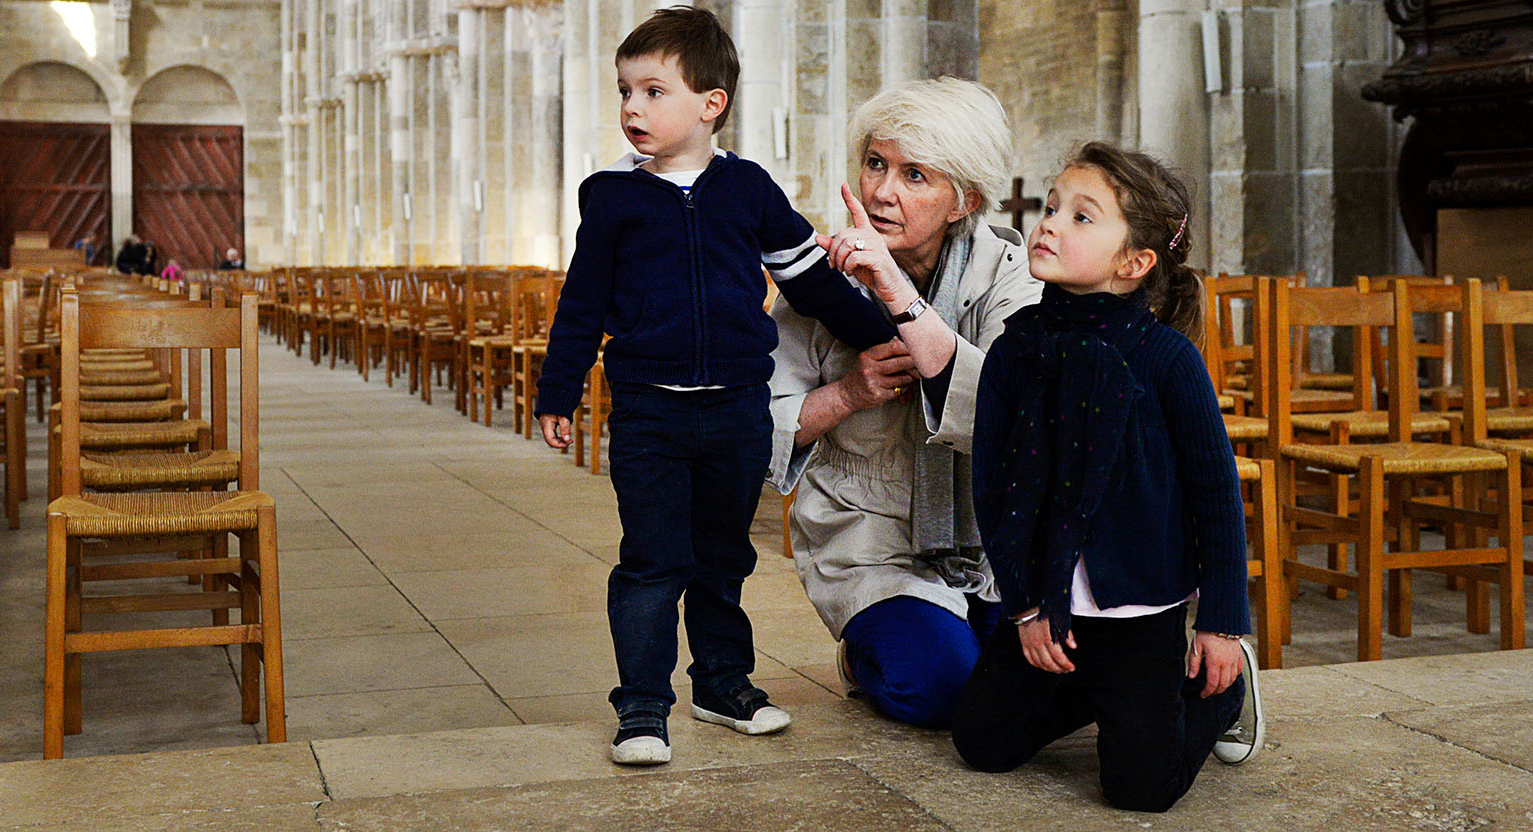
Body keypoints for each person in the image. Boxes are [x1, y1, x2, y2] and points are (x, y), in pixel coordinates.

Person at [533, 6, 900, 767]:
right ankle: (641, 708)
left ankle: (723, 685)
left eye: (653, 91)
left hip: (737, 412)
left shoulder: (750, 190)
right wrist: (555, 391)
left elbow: (811, 281)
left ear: (711, 104)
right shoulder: (612, 199)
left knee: (723, 557)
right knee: (652, 561)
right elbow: (581, 306)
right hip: (647, 415)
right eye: (625, 92)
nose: (632, 107)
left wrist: (886, 335)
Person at [950, 142, 1264, 812]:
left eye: (1081, 217)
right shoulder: (1014, 353)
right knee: (983, 743)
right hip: (1047, 603)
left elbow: (1215, 496)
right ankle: (1097, 692)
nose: (1051, 223)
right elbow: (995, 492)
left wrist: (1221, 623)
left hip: (1137, 608)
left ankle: (1221, 696)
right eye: (1053, 205)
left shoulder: (1166, 360)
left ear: (1134, 263)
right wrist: (1026, 606)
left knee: (1139, 791)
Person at [768, 78, 1041, 728]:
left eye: (914, 174)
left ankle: (960, 627)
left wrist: (899, 296)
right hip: (871, 539)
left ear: (963, 199)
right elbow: (759, 424)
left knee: (1052, 676)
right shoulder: (820, 285)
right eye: (875, 164)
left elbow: (1016, 417)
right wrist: (848, 393)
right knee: (947, 689)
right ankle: (870, 652)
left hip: (994, 542)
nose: (883, 191)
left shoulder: (1010, 274)